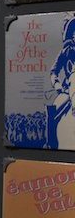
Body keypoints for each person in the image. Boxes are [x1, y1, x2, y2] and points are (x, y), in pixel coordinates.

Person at [47, 18, 75, 148]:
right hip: (68, 88)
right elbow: (54, 72)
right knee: (54, 106)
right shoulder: (66, 51)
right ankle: (50, 143)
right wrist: (58, 85)